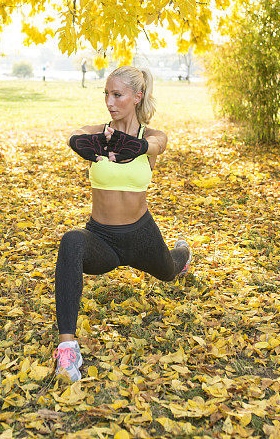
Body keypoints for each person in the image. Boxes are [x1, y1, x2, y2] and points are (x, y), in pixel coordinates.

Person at [53, 65, 193, 382]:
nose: (109, 102)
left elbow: (157, 145)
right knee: (71, 242)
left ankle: (182, 254)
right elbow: (74, 138)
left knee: (169, 271)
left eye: (117, 95)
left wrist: (135, 148)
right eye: (106, 94)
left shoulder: (150, 135)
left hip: (142, 234)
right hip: (102, 239)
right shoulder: (98, 131)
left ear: (137, 97)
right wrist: (97, 146)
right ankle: (67, 349)